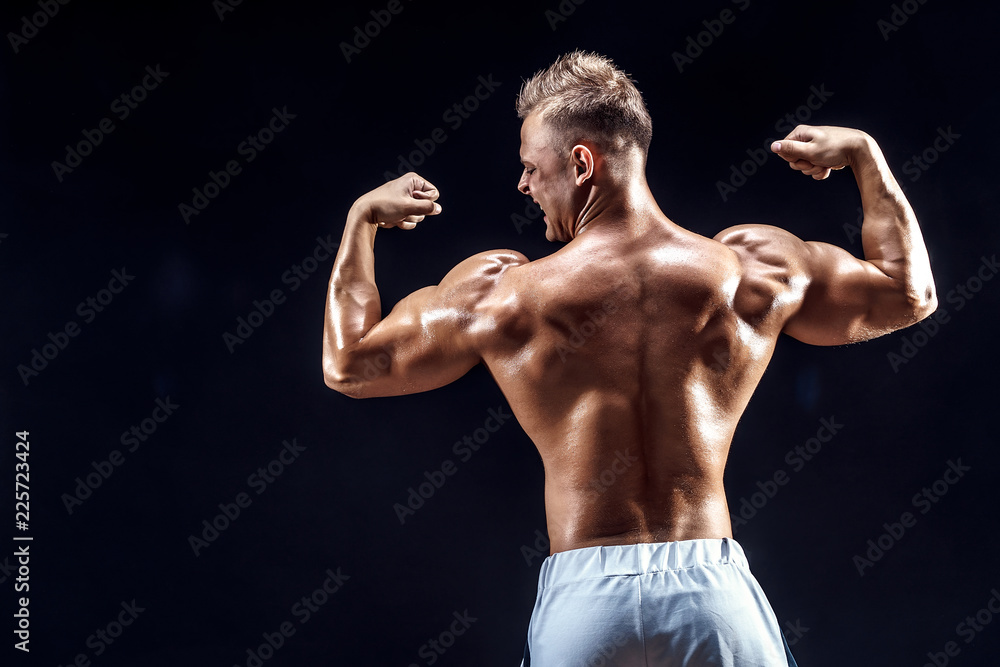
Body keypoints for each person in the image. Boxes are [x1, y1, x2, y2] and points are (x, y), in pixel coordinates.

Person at [322, 51, 936, 666]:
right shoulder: (751, 271)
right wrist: (863, 155)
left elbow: (348, 364)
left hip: (586, 606)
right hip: (710, 593)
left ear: (581, 162)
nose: (525, 185)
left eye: (533, 168)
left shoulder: (502, 294)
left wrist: (361, 222)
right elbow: (911, 294)